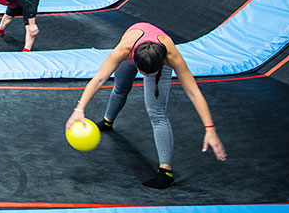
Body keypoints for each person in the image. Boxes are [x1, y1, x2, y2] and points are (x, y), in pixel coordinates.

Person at [64, 22, 227, 189]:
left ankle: (166, 172)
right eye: (143, 73)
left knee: (157, 113)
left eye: (150, 74)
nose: (146, 76)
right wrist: (79, 108)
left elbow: (194, 92)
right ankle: (108, 120)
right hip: (134, 48)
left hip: (156, 56)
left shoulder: (171, 56)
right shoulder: (124, 50)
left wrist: (210, 129)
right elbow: (99, 78)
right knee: (120, 88)